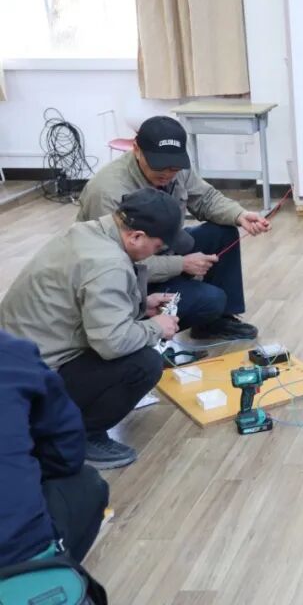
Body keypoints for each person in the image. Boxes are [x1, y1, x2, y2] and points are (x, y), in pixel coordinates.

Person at [0, 189, 190, 469]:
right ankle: (76, 436)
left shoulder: (87, 233)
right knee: (144, 363)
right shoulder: (109, 264)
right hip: (35, 383)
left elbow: (81, 302)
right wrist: (155, 327)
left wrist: (140, 306)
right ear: (136, 236)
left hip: (16, 365)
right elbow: (112, 344)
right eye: (158, 247)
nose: (157, 253)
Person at [77, 115, 268, 342]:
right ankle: (142, 329)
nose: (168, 173)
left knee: (223, 231)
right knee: (211, 300)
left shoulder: (178, 169)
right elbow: (118, 265)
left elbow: (205, 198)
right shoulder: (107, 192)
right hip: (126, 280)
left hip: (163, 249)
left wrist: (239, 215)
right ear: (136, 150)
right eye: (160, 165)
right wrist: (181, 265)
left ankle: (219, 322)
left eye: (174, 167)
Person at [0, 329, 109, 582]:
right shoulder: (11, 353)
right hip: (15, 559)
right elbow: (65, 452)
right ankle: (47, 571)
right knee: (86, 483)